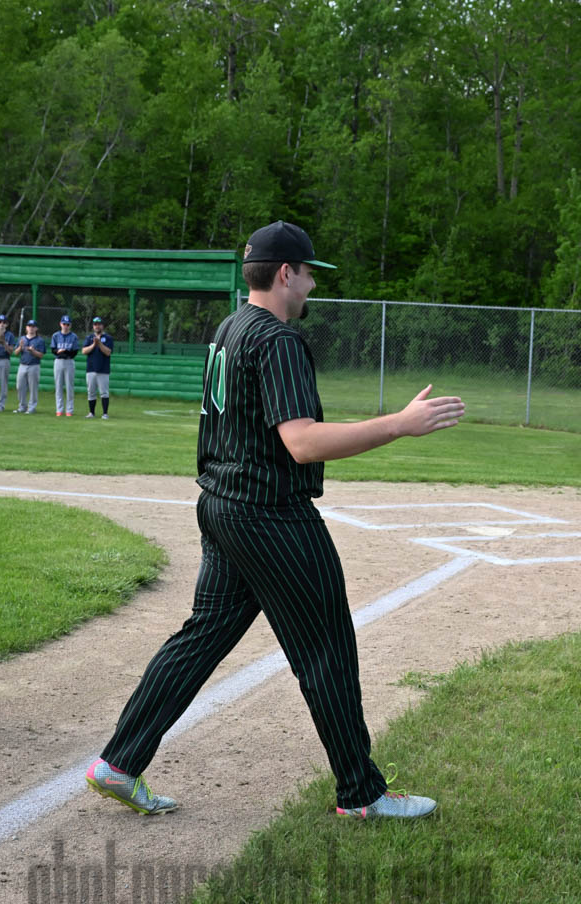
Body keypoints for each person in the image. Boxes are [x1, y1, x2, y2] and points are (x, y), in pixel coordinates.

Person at [85, 220, 465, 821]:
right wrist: (399, 424)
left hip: (222, 504)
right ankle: (362, 796)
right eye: (309, 273)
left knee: (202, 637)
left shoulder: (231, 327)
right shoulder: (278, 340)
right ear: (286, 273)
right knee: (326, 648)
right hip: (270, 516)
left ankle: (119, 763)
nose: (312, 285)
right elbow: (303, 443)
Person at [82, 316, 113, 419]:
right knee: (91, 392)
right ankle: (91, 413)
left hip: (103, 369)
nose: (97, 326)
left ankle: (105, 413)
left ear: (102, 326)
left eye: (99, 324)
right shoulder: (89, 338)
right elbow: (84, 351)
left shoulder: (108, 338)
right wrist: (93, 344)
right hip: (91, 368)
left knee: (104, 392)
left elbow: (108, 352)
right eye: (95, 324)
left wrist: (99, 344)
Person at [13, 318, 45, 414]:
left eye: (33, 326)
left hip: (34, 365)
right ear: (26, 327)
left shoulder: (39, 340)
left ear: (36, 328)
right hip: (22, 365)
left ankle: (32, 407)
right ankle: (22, 406)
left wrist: (33, 351)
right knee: (20, 386)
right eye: (29, 326)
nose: (31, 328)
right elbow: (15, 353)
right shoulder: (22, 339)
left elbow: (41, 355)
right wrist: (20, 346)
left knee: (33, 388)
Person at [50, 315, 79, 417]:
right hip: (58, 361)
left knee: (69, 386)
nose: (65, 326)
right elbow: (53, 350)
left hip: (69, 361)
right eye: (64, 324)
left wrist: (65, 351)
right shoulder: (56, 335)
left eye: (67, 324)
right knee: (58, 386)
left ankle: (69, 410)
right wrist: (59, 351)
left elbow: (75, 352)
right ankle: (59, 409)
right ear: (60, 324)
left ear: (70, 325)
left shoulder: (73, 336)